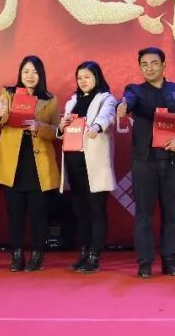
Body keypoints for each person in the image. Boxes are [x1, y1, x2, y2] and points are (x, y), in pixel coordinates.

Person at [118, 47, 175, 278]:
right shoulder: (135, 91)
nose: (149, 68)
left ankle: (170, 260)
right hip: (145, 161)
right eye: (144, 64)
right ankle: (145, 261)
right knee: (143, 213)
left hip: (172, 159)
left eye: (154, 63)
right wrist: (124, 106)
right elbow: (128, 101)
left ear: (164, 65)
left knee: (172, 213)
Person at [0, 56, 61, 272]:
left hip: (39, 163)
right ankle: (17, 254)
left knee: (38, 213)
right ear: (20, 73)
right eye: (26, 71)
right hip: (13, 162)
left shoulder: (50, 99)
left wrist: (40, 127)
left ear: (41, 75)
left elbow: (57, 131)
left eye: (35, 72)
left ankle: (37, 254)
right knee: (15, 213)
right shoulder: (8, 94)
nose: (30, 76)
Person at [59, 61, 118, 274]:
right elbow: (64, 129)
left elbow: (107, 115)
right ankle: (83, 252)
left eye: (87, 77)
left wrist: (98, 125)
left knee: (96, 211)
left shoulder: (106, 98)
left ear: (97, 78)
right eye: (80, 77)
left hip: (94, 164)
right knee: (80, 211)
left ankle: (94, 255)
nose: (83, 81)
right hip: (73, 162)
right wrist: (61, 127)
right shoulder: (72, 101)